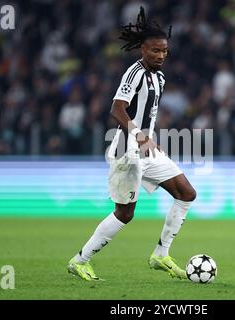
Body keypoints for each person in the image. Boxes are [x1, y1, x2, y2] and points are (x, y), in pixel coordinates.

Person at [67, 7, 196, 281]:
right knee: (125, 214)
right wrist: (138, 135)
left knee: (186, 193)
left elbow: (146, 114)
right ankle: (80, 260)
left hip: (146, 149)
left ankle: (161, 255)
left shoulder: (159, 77)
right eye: (155, 50)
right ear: (142, 49)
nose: (160, 55)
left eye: (164, 51)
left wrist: (150, 139)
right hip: (127, 151)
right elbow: (117, 108)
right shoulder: (134, 73)